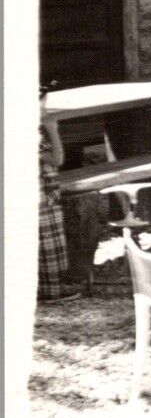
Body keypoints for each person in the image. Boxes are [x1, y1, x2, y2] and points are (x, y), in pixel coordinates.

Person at [37, 112, 79, 303]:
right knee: (48, 241)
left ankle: (45, 288)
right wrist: (53, 128)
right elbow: (57, 159)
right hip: (39, 193)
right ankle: (51, 292)